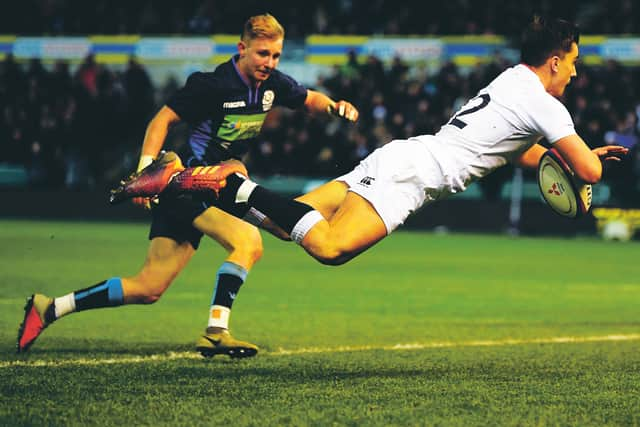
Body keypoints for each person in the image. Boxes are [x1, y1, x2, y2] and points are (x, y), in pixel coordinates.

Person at [112, 16, 628, 268]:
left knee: (283, 220)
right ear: (555, 59)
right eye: (575, 62)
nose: (576, 72)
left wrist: (562, 154)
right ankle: (226, 180)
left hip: (407, 157)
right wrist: (581, 159)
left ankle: (191, 181)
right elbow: (591, 174)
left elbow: (520, 149)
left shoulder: (512, 80)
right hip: (412, 175)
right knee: (330, 248)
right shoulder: (546, 101)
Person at [17, 13, 359, 357]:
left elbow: (308, 99)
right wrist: (144, 171)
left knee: (149, 287)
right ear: (242, 49)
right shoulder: (211, 85)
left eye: (275, 55)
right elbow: (161, 120)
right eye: (262, 54)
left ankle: (50, 308)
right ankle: (216, 331)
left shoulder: (273, 85)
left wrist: (333, 106)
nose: (269, 62)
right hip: (189, 182)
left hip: (219, 182)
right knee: (250, 241)